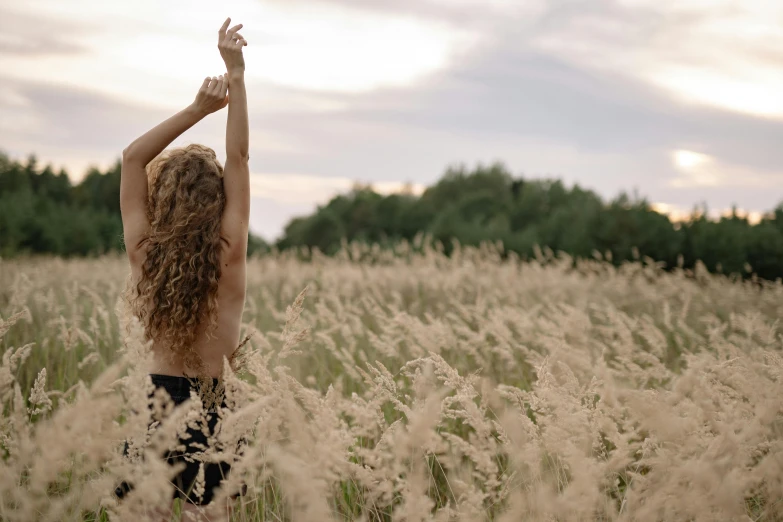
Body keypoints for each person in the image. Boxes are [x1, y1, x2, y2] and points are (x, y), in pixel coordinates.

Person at [115, 17, 249, 521]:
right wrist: (235, 75)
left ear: (161, 197)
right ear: (218, 201)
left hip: (155, 403)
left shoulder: (145, 255)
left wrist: (198, 108)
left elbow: (132, 159)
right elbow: (238, 155)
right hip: (217, 405)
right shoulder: (228, 251)